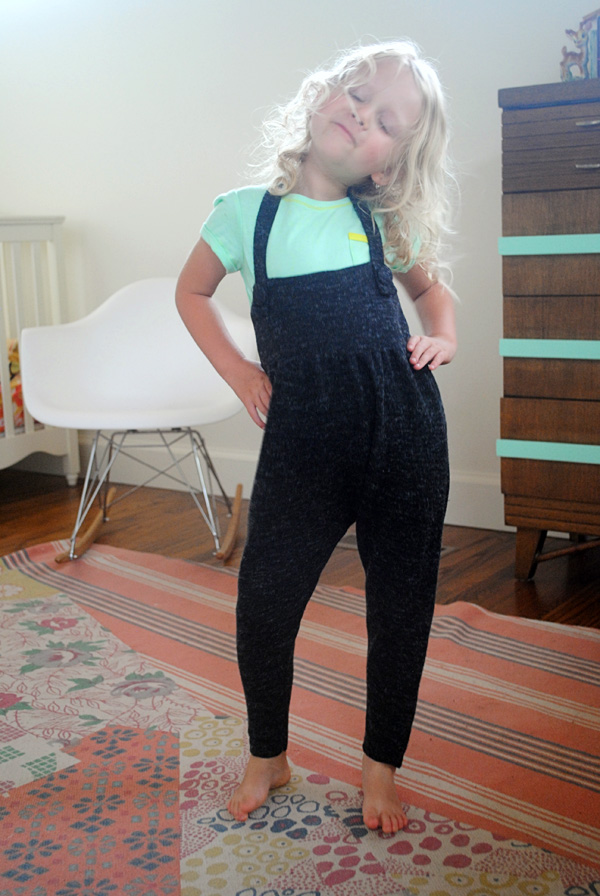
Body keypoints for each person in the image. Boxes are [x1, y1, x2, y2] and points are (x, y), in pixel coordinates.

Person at [176, 40, 457, 834]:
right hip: (303, 443)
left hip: (403, 435)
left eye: (386, 121)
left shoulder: (381, 220)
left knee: (399, 608)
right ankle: (268, 753)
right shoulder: (245, 213)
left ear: (390, 163)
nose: (363, 116)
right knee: (265, 601)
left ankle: (380, 768)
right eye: (358, 95)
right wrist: (238, 371)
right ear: (321, 95)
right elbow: (192, 293)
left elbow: (434, 296)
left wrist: (444, 336)